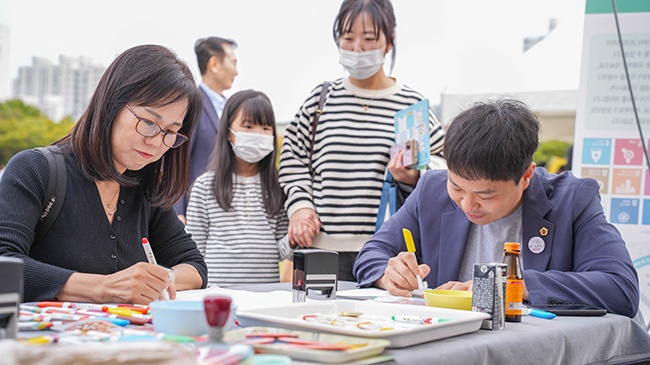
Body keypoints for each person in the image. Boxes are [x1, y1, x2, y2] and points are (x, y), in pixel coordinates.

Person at [353, 99, 640, 318]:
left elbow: (619, 289)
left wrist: (508, 288)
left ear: (526, 176)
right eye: (457, 187)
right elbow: (372, 254)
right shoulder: (431, 189)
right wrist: (388, 274)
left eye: (485, 195)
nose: (467, 204)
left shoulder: (571, 200)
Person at [0, 45, 208, 304]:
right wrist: (102, 288)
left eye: (170, 132)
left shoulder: (145, 188)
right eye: (149, 123)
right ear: (112, 104)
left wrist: (160, 279)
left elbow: (194, 265)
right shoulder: (35, 169)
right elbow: (5, 262)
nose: (156, 142)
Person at [278, 0, 445, 282]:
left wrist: (414, 175)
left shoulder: (411, 106)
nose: (357, 49)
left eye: (369, 39)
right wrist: (300, 207)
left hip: (385, 253)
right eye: (348, 38)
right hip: (321, 250)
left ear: (388, 42)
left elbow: (443, 168)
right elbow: (292, 158)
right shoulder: (321, 100)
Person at [185, 90, 300, 287]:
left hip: (264, 296)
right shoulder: (205, 187)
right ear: (229, 132)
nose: (257, 134)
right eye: (248, 126)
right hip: (218, 294)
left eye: (265, 128)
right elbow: (194, 251)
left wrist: (294, 239)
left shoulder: (277, 188)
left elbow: (281, 252)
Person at [174, 37, 239, 223]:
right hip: (196, 211)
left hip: (225, 211)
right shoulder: (193, 104)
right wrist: (178, 211)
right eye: (233, 63)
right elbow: (178, 160)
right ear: (214, 63)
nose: (236, 71)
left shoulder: (230, 108)